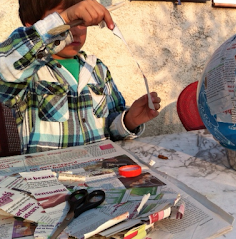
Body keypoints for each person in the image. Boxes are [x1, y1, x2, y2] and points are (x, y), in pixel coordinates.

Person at [0, 0, 161, 154]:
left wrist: (128, 121)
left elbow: (110, 128)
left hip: (98, 172)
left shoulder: (97, 69)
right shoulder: (28, 72)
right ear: (32, 24)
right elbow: (5, 67)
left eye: (81, 21)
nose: (75, 30)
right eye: (68, 21)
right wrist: (58, 23)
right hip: (49, 176)